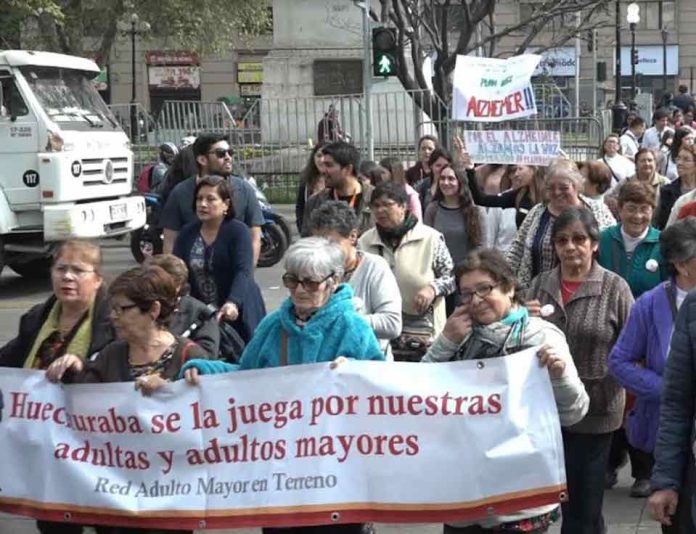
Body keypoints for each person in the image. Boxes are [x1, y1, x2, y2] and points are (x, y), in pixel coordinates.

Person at [422, 248, 589, 533]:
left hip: (520, 497)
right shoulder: (456, 335)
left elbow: (574, 412)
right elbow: (417, 398)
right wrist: (445, 343)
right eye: (466, 293)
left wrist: (559, 376)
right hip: (464, 496)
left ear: (509, 287)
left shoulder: (541, 336)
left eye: (485, 289)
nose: (476, 300)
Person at [45, 265, 208, 534]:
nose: (113, 317)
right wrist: (75, 366)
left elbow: (214, 421)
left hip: (169, 503)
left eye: (122, 309)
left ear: (153, 310)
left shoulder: (191, 357)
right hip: (115, 500)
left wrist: (172, 392)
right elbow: (82, 411)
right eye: (113, 309)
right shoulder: (112, 354)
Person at [526, 207, 634, 534]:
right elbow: (521, 340)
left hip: (597, 411)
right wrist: (521, 318)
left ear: (594, 244)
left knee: (582, 507)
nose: (570, 247)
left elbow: (633, 348)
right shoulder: (540, 285)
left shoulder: (615, 288)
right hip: (549, 410)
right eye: (562, 240)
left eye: (578, 239)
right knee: (572, 505)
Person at [0, 240, 113, 534]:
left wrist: (82, 366)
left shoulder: (114, 320)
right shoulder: (37, 317)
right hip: (44, 444)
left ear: (98, 279)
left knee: (106, 521)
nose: (67, 277)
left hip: (94, 445)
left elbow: (120, 368)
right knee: (54, 523)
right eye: (61, 269)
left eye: (78, 270)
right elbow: (11, 359)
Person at [609, 219, 696, 513]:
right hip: (669, 430)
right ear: (681, 265)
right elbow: (619, 362)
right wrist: (670, 389)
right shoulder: (650, 304)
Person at [359, 182, 455, 362]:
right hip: (380, 332)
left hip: (423, 332)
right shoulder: (365, 242)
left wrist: (432, 289)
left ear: (403, 206)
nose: (380, 211)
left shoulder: (430, 238)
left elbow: (450, 278)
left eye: (387, 205)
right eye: (376, 206)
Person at [173, 176, 266, 344]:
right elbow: (176, 270)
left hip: (239, 309)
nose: (202, 204)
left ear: (226, 204)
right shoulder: (187, 234)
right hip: (205, 314)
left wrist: (233, 302)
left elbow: (243, 270)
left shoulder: (238, 231)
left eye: (210, 199)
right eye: (199, 199)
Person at [309, 201, 402, 356]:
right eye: (318, 242)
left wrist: (342, 322)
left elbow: (392, 323)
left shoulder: (375, 267)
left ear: (352, 236)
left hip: (367, 362)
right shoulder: (315, 268)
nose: (323, 249)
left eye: (332, 242)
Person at [506, 158, 616, 290]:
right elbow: (517, 249)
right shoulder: (537, 213)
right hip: (537, 294)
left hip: (587, 293)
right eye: (551, 188)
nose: (557, 192)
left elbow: (612, 248)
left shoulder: (598, 211)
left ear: (576, 186)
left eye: (564, 187)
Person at [159, 134, 264, 263]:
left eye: (230, 152)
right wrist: (175, 278)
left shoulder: (244, 189)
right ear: (202, 160)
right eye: (221, 153)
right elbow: (170, 241)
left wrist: (246, 274)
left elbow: (255, 237)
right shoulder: (180, 193)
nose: (228, 157)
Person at [598, 181, 664, 299]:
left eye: (644, 209)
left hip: (647, 315)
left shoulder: (663, 244)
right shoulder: (603, 239)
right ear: (619, 209)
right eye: (631, 209)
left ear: (653, 211)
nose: (638, 216)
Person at [423, 164, 485, 291]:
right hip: (438, 278)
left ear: (460, 182)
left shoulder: (475, 211)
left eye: (451, 179)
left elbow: (481, 246)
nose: (446, 183)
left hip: (466, 277)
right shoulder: (432, 209)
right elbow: (426, 242)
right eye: (442, 178)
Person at [145, 254, 220, 358]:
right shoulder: (135, 308)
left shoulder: (200, 315)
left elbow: (207, 357)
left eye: (157, 283)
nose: (148, 287)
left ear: (177, 285)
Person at [301, 141, 374, 237]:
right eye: (323, 165)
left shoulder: (375, 198)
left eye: (329, 165)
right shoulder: (315, 202)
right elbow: (308, 241)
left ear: (348, 169)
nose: (323, 171)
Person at [656, 142, 696, 229]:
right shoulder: (666, 191)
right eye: (678, 158)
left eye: (686, 159)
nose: (680, 163)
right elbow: (657, 221)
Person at [295, 143, 326, 233]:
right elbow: (300, 207)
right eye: (319, 156)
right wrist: (302, 228)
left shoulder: (336, 181)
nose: (322, 160)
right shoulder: (306, 180)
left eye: (325, 156)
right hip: (310, 234)